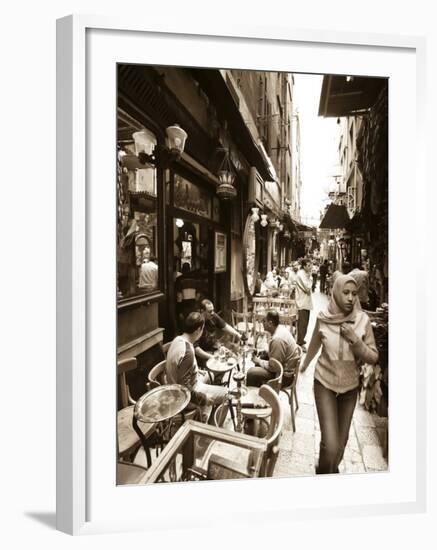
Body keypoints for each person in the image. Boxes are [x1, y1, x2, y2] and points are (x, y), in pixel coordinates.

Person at [300, 275, 378, 474]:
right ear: (336, 293)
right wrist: (303, 366)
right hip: (324, 383)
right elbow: (315, 344)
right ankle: (326, 476)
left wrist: (356, 342)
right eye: (346, 293)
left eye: (354, 293)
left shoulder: (363, 321)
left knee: (340, 446)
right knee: (331, 444)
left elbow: (373, 356)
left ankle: (326, 467)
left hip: (350, 389)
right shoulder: (324, 317)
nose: (351, 298)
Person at [166, 312, 228, 422]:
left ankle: (204, 415)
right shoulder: (188, 352)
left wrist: (197, 370)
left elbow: (180, 367)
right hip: (182, 398)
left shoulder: (178, 339)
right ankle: (212, 430)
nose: (202, 332)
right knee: (228, 394)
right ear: (198, 330)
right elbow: (184, 389)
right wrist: (203, 398)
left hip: (173, 387)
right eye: (202, 329)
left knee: (210, 375)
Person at [247, 309, 301, 387]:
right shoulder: (279, 329)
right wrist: (261, 351)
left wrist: (258, 361)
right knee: (263, 356)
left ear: (270, 323)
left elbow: (274, 367)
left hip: (283, 376)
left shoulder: (277, 339)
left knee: (251, 373)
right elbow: (275, 353)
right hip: (283, 367)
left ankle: (259, 393)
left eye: (264, 321)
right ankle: (261, 388)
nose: (262, 323)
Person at [195, 299, 241, 369]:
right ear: (202, 311)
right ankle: (216, 378)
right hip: (203, 353)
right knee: (220, 365)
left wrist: (237, 334)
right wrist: (212, 357)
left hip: (214, 347)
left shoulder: (212, 316)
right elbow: (196, 349)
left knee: (233, 357)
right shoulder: (196, 323)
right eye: (210, 311)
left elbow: (224, 326)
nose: (213, 313)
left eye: (213, 310)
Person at [295, 258, 313, 351]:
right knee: (302, 323)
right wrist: (310, 277)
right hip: (302, 302)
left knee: (305, 323)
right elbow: (308, 287)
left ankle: (301, 340)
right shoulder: (301, 274)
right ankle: (300, 342)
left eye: (311, 265)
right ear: (304, 266)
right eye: (309, 266)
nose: (311, 267)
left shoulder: (304, 274)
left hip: (305, 302)